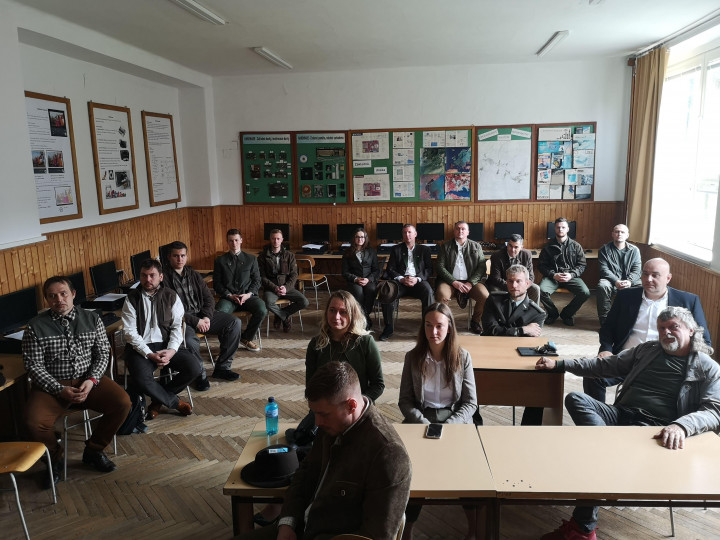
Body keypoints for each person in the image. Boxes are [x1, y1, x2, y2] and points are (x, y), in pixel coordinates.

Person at [536, 307, 720, 540]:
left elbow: (714, 411)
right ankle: (607, 448)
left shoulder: (707, 367)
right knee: (576, 399)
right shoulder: (647, 350)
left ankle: (582, 529)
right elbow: (604, 366)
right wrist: (560, 364)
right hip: (620, 415)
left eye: (674, 327)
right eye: (662, 328)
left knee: (597, 459)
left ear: (691, 330)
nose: (666, 333)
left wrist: (681, 426)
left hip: (653, 430)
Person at [238, 361, 411, 540]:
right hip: (301, 527)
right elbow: (305, 474)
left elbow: (376, 535)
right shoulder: (331, 425)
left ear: (351, 406)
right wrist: (287, 522)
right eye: (315, 413)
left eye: (324, 414)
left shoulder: (389, 455)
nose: (317, 423)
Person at [23, 276, 131, 488]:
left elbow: (102, 354)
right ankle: (54, 459)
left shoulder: (92, 319)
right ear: (47, 300)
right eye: (52, 296)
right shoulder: (35, 326)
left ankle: (94, 450)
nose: (59, 300)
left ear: (73, 294)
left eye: (63, 294)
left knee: (123, 403)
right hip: (52, 386)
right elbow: (33, 366)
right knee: (33, 422)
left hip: (88, 381)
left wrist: (92, 380)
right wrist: (59, 389)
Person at [398, 302, 479, 540]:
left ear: (450, 327)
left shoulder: (462, 357)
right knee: (411, 471)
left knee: (465, 470)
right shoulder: (413, 357)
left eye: (439, 326)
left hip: (453, 418)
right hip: (421, 418)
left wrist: (450, 425)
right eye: (428, 325)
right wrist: (423, 423)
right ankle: (407, 529)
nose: (433, 332)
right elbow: (405, 401)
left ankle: (474, 528)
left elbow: (470, 403)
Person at [589, 257, 711, 402]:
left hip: (667, 365)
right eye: (645, 274)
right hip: (627, 360)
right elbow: (608, 327)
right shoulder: (626, 296)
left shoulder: (688, 301)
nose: (648, 279)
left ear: (668, 278)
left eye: (655, 275)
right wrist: (606, 349)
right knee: (593, 375)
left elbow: (703, 339)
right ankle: (597, 414)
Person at [122, 259, 200, 419]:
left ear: (161, 277)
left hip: (166, 344)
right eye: (144, 275)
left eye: (152, 275)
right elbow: (130, 332)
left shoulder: (171, 296)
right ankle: (175, 403)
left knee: (194, 367)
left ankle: (157, 402)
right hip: (140, 348)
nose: (147, 279)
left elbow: (177, 327)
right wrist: (149, 353)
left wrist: (171, 350)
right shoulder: (131, 298)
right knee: (141, 379)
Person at [164, 241, 242, 389]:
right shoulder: (164, 279)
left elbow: (208, 298)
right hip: (182, 321)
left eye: (183, 255)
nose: (180, 259)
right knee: (189, 340)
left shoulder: (193, 274)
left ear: (186, 257)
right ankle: (199, 374)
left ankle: (222, 368)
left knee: (234, 323)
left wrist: (206, 317)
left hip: (201, 315)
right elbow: (170, 309)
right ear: (169, 257)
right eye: (176, 256)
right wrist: (196, 321)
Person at [481, 265, 546, 425]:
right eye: (510, 281)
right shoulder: (493, 300)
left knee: (541, 388)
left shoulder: (537, 313)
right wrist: (522, 330)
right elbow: (490, 330)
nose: (514, 285)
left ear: (528, 284)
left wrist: (503, 331)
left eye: (518, 281)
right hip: (490, 354)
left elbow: (527, 344)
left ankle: (528, 429)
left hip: (518, 358)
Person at [306, 291, 384, 402]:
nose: (336, 317)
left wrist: (357, 404)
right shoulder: (316, 343)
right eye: (332, 310)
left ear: (353, 315)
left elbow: (378, 385)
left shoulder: (366, 342)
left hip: (357, 406)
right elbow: (310, 386)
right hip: (324, 407)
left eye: (343, 312)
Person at [213, 228, 266, 352]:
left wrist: (248, 294)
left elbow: (257, 281)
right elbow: (217, 283)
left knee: (262, 309)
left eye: (236, 240)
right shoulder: (220, 260)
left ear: (241, 240)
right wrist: (229, 295)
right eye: (231, 241)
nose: (234, 243)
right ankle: (225, 347)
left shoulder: (251, 259)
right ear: (227, 242)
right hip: (229, 298)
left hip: (248, 296)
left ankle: (246, 338)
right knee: (219, 313)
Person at [380, 224, 434, 341]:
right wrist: (401, 278)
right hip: (401, 282)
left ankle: (428, 327)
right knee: (387, 292)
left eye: (409, 232)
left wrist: (417, 279)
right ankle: (388, 327)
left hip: (418, 281)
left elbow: (429, 269)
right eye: (404, 232)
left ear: (415, 234)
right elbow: (390, 269)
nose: (407, 234)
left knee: (428, 292)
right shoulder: (396, 249)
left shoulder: (424, 250)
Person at [434, 221, 489, 334]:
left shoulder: (476, 246)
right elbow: (440, 266)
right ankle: (445, 323)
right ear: (454, 231)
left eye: (463, 229)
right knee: (442, 295)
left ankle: (475, 321)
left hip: (471, 282)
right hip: (449, 282)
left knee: (485, 296)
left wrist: (470, 282)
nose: (460, 231)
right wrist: (454, 282)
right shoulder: (445, 246)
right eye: (458, 228)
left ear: (468, 232)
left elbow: (481, 267)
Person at [538, 217, 590, 326]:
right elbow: (541, 266)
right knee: (541, 290)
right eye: (558, 227)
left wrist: (571, 274)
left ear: (568, 229)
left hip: (571, 276)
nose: (560, 229)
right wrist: (553, 275)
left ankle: (567, 314)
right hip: (552, 277)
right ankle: (552, 314)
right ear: (554, 229)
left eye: (563, 227)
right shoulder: (547, 247)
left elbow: (582, 265)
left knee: (585, 293)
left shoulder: (576, 246)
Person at [257, 229, 309, 333]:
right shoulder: (262, 256)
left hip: (287, 287)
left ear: (282, 240)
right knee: (268, 303)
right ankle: (285, 317)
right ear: (270, 239)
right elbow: (262, 277)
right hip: (271, 288)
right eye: (273, 238)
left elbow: (294, 274)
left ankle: (280, 314)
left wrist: (286, 287)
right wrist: (274, 288)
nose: (275, 241)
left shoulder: (289, 255)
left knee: (304, 302)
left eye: (278, 238)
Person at [596, 224, 641, 325]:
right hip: (610, 279)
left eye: (622, 232)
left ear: (627, 235)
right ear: (612, 234)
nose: (619, 234)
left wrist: (629, 281)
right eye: (617, 231)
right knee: (602, 285)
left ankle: (632, 319)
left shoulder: (634, 250)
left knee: (641, 288)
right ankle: (605, 321)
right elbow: (604, 270)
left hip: (629, 280)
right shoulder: (604, 249)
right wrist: (616, 281)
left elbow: (637, 270)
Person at [341, 227, 380, 328]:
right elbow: (345, 272)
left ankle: (365, 316)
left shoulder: (371, 251)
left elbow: (376, 270)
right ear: (354, 238)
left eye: (362, 237)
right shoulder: (347, 252)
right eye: (357, 237)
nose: (360, 239)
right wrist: (356, 279)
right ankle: (360, 317)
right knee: (358, 293)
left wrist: (368, 279)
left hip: (369, 280)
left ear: (365, 238)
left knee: (371, 290)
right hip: (354, 281)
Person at [486, 233, 540, 305]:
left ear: (521, 247)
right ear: (507, 245)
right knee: (495, 291)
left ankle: (532, 311)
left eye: (516, 247)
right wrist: (512, 286)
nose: (512, 250)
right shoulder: (497, 256)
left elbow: (530, 276)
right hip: (502, 284)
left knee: (535, 289)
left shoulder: (527, 254)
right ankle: (501, 311)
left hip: (520, 284)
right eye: (510, 246)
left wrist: (520, 286)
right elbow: (495, 278)